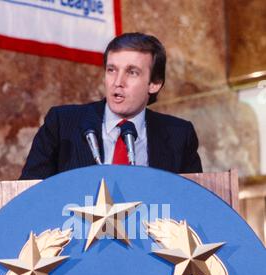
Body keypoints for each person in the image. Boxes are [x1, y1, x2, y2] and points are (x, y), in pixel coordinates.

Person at [20, 32, 202, 180]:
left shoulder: (179, 135)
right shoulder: (62, 124)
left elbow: (197, 204)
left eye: (132, 72)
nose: (117, 82)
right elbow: (28, 192)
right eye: (111, 70)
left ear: (154, 84)